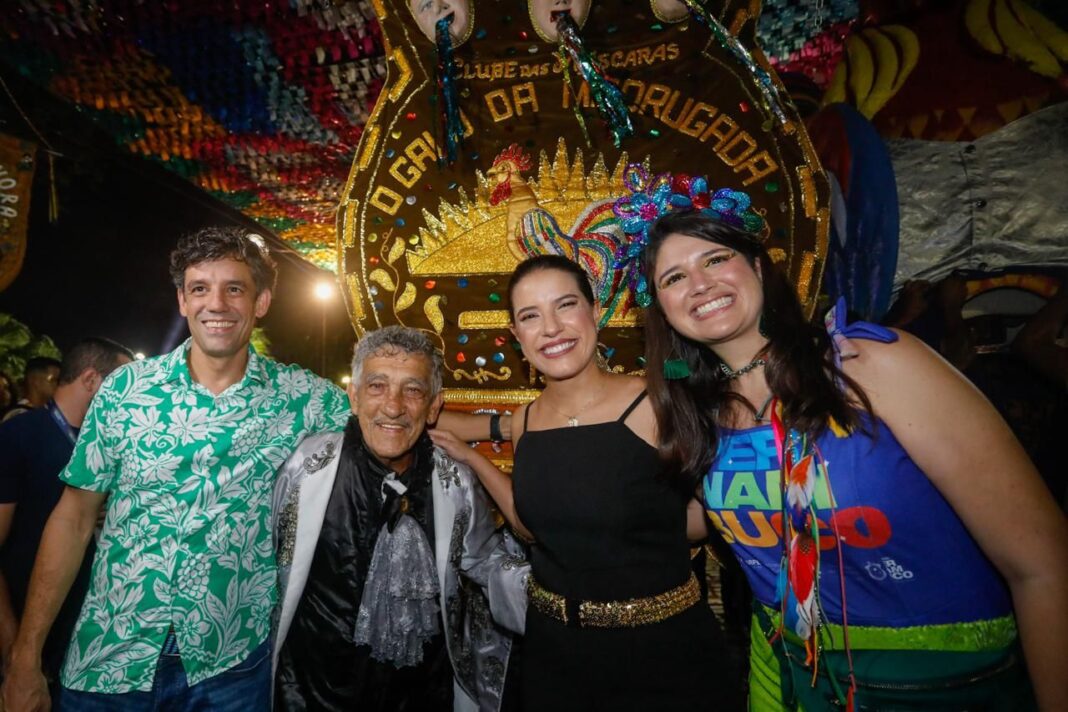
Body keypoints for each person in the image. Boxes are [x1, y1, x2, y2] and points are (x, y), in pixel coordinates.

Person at [630, 184, 1068, 709]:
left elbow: (1042, 563)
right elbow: (695, 522)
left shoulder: (872, 366)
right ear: (662, 308)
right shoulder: (700, 417)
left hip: (948, 688)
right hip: (799, 685)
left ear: (758, 267)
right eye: (674, 278)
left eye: (715, 259)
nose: (699, 284)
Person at [2, 227, 351, 712]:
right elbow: (73, 519)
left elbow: (393, 418)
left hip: (229, 668)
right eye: (200, 288)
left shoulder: (303, 399)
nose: (216, 304)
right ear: (183, 301)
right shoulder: (125, 390)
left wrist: (469, 419)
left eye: (234, 288)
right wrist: (25, 656)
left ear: (262, 301)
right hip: (110, 656)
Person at [431, 254, 741, 710]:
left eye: (566, 305)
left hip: (664, 655)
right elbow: (532, 527)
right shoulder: (526, 422)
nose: (551, 328)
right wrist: (474, 459)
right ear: (517, 335)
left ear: (595, 311)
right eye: (531, 316)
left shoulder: (657, 405)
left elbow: (720, 512)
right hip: (556, 657)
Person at [272, 325, 527, 711]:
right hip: (313, 693)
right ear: (354, 397)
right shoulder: (307, 468)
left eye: (413, 390)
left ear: (434, 407)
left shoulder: (454, 482)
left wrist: (560, 588)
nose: (393, 407)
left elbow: (484, 563)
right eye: (377, 386)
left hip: (422, 695)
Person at [0, 338, 134, 690]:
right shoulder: (17, 435)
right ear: (91, 380)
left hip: (80, 642)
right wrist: (15, 648)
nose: (132, 399)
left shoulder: (108, 448)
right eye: (123, 385)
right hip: (24, 636)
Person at [2, 357, 61, 423]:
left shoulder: (49, 412)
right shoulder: (19, 415)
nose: (59, 384)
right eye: (54, 380)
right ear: (35, 381)